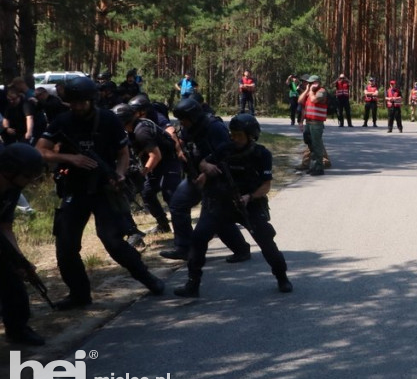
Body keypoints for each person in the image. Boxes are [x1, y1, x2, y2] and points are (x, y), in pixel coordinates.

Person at [36, 77, 165, 310]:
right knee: (65, 246)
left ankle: (147, 278)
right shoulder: (62, 121)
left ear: (91, 100)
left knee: (113, 242)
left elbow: (123, 153)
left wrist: (119, 173)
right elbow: (40, 150)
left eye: (81, 102)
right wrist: (69, 158)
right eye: (72, 102)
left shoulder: (108, 120)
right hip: (74, 189)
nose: (76, 107)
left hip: (104, 189)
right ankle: (79, 294)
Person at [174, 114, 291, 297]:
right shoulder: (224, 149)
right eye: (233, 134)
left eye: (239, 135)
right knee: (198, 239)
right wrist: (206, 168)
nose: (234, 138)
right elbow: (204, 161)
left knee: (266, 241)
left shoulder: (262, 154)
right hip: (220, 203)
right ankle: (192, 283)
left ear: (251, 135)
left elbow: (266, 186)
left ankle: (282, 277)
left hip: (249, 205)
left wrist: (249, 197)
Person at [159, 98, 251, 263]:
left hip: (218, 179)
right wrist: (180, 150)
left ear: (193, 116)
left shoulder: (215, 128)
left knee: (217, 217)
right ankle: (183, 248)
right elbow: (183, 141)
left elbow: (227, 154)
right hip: (195, 176)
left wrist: (207, 173)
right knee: (177, 205)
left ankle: (241, 249)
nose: (182, 122)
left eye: (184, 119)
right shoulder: (189, 128)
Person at [0, 143, 48, 345]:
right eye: (27, 176)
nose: (30, 182)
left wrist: (21, 261)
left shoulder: (11, 191)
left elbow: (4, 227)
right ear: (10, 170)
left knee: (13, 281)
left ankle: (18, 329)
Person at [113, 102, 179, 235]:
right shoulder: (132, 129)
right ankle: (163, 225)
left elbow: (156, 155)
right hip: (157, 164)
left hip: (168, 162)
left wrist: (143, 173)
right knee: (147, 192)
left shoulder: (141, 131)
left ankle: (181, 230)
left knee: (169, 193)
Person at [299, 75, 329, 176]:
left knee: (317, 145)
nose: (310, 84)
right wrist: (307, 90)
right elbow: (300, 101)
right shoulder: (309, 92)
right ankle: (315, 165)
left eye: (312, 83)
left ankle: (319, 167)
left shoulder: (322, 91)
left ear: (318, 82)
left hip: (316, 123)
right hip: (308, 122)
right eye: (309, 83)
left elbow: (314, 100)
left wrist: (311, 91)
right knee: (309, 142)